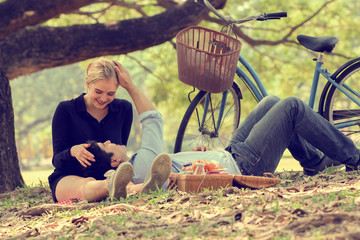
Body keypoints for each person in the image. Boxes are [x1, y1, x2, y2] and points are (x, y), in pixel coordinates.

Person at [95, 95, 360, 196]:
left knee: (270, 102)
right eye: (107, 145)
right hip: (244, 164)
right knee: (292, 107)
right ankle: (354, 157)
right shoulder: (137, 163)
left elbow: (171, 172)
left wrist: (198, 156)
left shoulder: (142, 162)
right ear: (115, 162)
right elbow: (153, 120)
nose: (110, 141)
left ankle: (313, 163)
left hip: (229, 153)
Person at [48, 58, 138, 202]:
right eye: (98, 91)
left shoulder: (124, 109)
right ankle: (114, 187)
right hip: (70, 178)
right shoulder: (66, 109)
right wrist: (72, 151)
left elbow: (120, 150)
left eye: (111, 94)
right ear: (88, 83)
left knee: (117, 179)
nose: (103, 98)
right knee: (85, 185)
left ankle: (125, 186)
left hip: (111, 174)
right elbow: (56, 160)